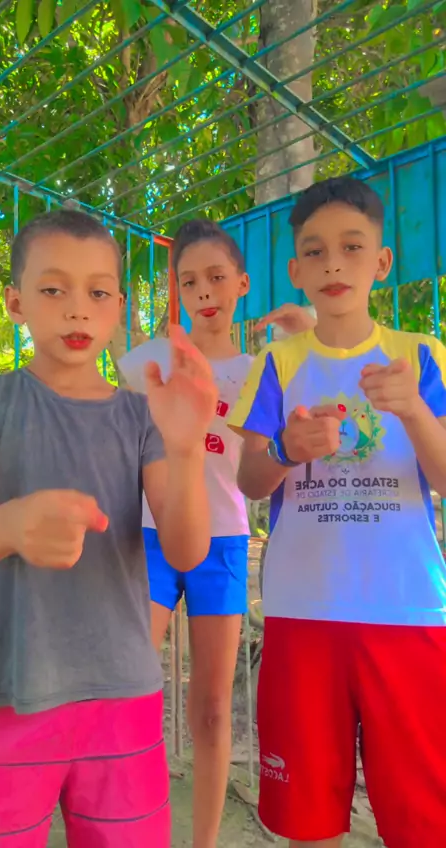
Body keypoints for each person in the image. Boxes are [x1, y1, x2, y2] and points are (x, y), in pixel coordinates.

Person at [0, 209, 218, 848]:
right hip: (4, 690)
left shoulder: (142, 415)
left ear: (119, 308)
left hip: (122, 692)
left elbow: (187, 549)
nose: (78, 308)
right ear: (15, 302)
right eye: (54, 289)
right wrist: (11, 525)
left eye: (99, 292)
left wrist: (187, 449)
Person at [228, 176, 446, 848]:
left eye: (352, 247)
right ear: (295, 270)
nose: (333, 265)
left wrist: (414, 411)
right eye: (315, 252)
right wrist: (286, 449)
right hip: (302, 615)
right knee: (307, 821)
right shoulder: (278, 361)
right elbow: (251, 481)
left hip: (407, 612)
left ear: (381, 262)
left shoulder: (421, 355)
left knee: (423, 821)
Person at [119, 218, 315, 848]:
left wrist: (307, 330)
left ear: (242, 284)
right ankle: (131, 828)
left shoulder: (262, 369)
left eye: (216, 277)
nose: (204, 291)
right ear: (177, 291)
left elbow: (314, 393)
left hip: (225, 544)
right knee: (127, 689)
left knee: (209, 710)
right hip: (150, 533)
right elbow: (112, 402)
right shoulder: (156, 359)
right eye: (189, 281)